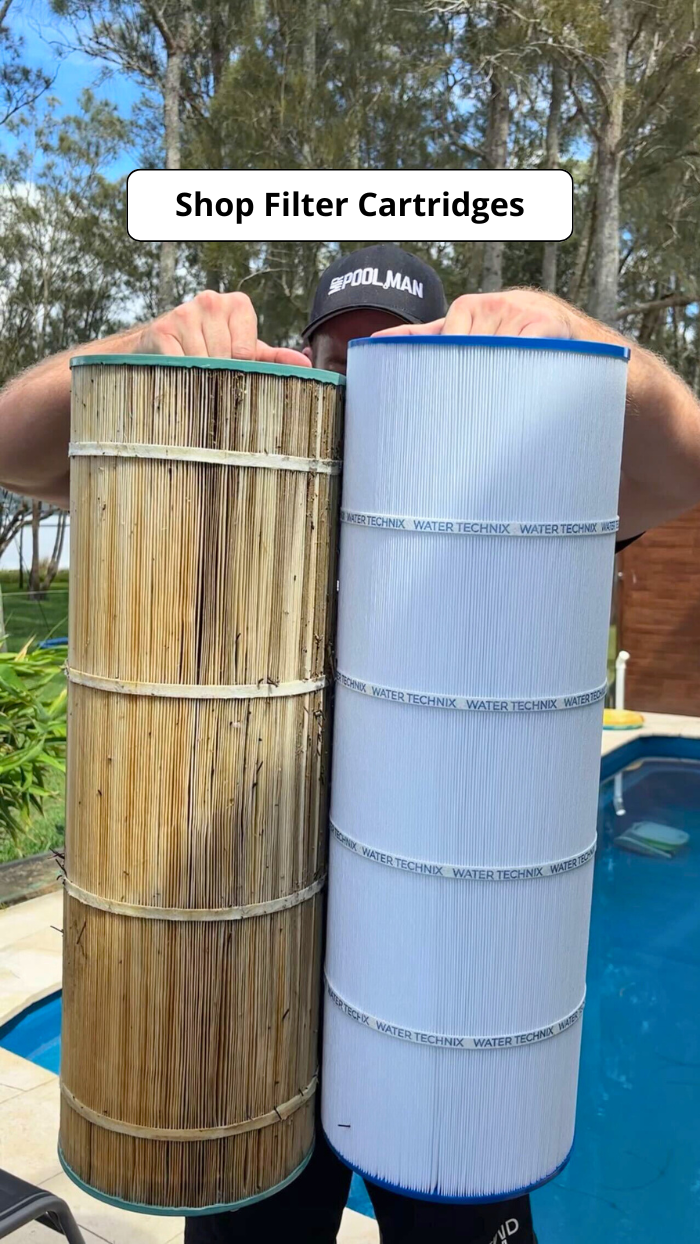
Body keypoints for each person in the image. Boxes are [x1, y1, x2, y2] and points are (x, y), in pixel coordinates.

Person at [1, 245, 699, 1244]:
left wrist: (577, 335)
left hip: (434, 992)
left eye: (396, 358)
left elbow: (685, 461)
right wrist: (145, 340)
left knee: (459, 1219)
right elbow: (12, 448)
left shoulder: (509, 493)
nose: (364, 387)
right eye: (343, 359)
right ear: (308, 360)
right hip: (256, 995)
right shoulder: (235, 473)